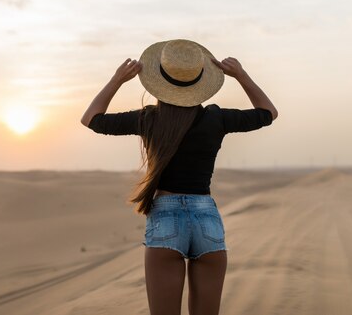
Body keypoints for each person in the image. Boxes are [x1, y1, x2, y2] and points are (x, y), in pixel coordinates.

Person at [80, 39, 278, 315]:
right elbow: (268, 113)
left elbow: (91, 118)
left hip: (166, 219)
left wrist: (118, 79)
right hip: (206, 218)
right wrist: (241, 75)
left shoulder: (149, 118)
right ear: (200, 82)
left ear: (159, 81)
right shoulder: (216, 118)